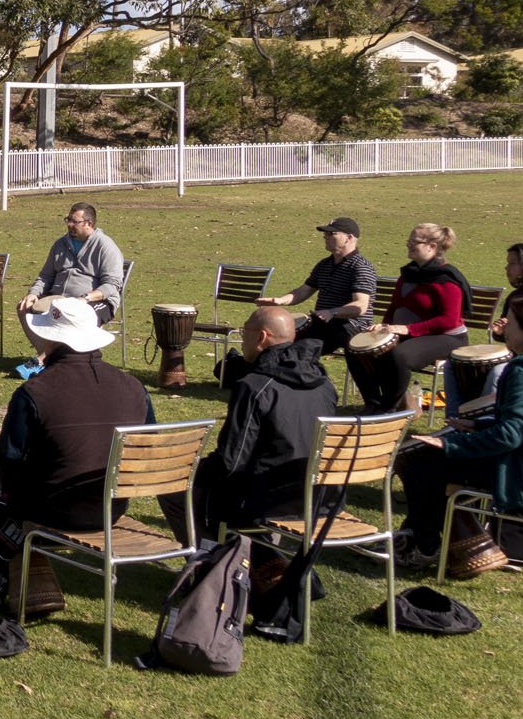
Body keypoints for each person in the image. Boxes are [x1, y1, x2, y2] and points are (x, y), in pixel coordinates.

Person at [0, 297, 155, 619]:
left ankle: (4, 572)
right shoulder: (134, 386)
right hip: (115, 505)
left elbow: (9, 456)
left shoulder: (35, 391)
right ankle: (26, 564)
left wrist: (17, 500)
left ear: (52, 338)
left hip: (54, 510)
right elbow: (148, 443)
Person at [392, 293, 523, 578]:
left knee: (422, 465)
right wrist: (479, 428)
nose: (505, 327)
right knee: (430, 460)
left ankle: (427, 546)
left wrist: (450, 444)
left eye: (513, 323)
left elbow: (509, 437)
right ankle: (452, 541)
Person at [158, 308, 335, 537]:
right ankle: (256, 556)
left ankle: (211, 562)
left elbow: (231, 461)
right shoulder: (323, 382)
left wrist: (191, 469)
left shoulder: (254, 386)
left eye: (244, 332)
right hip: (321, 495)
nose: (242, 340)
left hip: (267, 496)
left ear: (261, 337)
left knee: (173, 488)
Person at [348, 222, 472, 413]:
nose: (408, 244)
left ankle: (389, 409)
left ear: (432, 247)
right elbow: (395, 306)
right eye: (409, 240)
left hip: (448, 338)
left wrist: (407, 329)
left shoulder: (447, 279)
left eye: (414, 241)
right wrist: (384, 326)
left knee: (400, 355)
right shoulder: (409, 274)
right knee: (358, 349)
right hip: (412, 334)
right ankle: (374, 403)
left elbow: (449, 320)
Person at [259, 215, 379, 355]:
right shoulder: (324, 264)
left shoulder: (360, 267)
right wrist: (279, 300)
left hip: (350, 326)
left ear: (349, 238)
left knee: (302, 349)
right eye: (325, 233)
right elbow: (304, 291)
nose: (325, 236)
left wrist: (332, 312)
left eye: (331, 233)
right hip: (323, 324)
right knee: (279, 340)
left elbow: (360, 306)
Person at [21, 203, 125, 325]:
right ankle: (46, 345)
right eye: (68, 220)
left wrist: (85, 298)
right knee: (23, 307)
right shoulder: (60, 244)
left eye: (75, 222)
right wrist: (33, 293)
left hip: (96, 301)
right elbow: (45, 276)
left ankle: (64, 344)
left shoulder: (105, 246)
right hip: (59, 298)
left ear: (89, 223)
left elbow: (112, 285)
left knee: (74, 316)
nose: (69, 224)